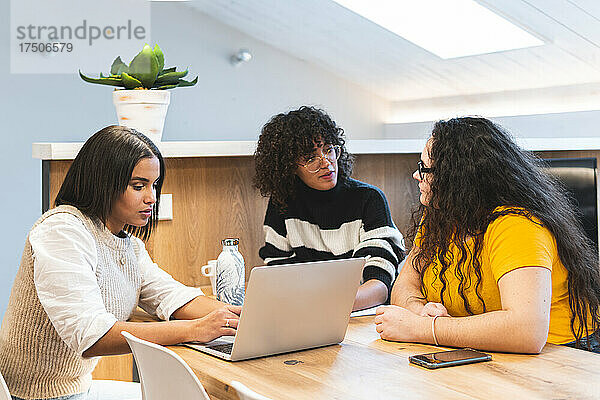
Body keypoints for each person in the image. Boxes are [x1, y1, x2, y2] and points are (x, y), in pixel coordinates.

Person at [0, 126, 241, 400]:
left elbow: (172, 297)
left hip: (77, 389)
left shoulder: (128, 246)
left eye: (154, 185)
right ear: (102, 182)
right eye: (138, 186)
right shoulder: (62, 231)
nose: (151, 197)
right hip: (33, 396)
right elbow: (91, 337)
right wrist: (194, 330)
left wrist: (241, 317)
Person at [375, 117, 600, 353]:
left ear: (457, 178)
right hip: (480, 350)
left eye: (424, 169)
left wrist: (424, 328)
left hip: (560, 355)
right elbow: (403, 286)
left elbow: (527, 331)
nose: (416, 175)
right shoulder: (439, 218)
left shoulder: (516, 225)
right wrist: (420, 310)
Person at [254, 106, 405, 311]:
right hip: (306, 313)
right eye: (310, 158)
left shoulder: (368, 199)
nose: (326, 163)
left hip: (362, 314)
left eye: (329, 149)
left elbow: (379, 286)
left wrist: (324, 306)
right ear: (288, 166)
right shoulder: (283, 203)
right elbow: (278, 272)